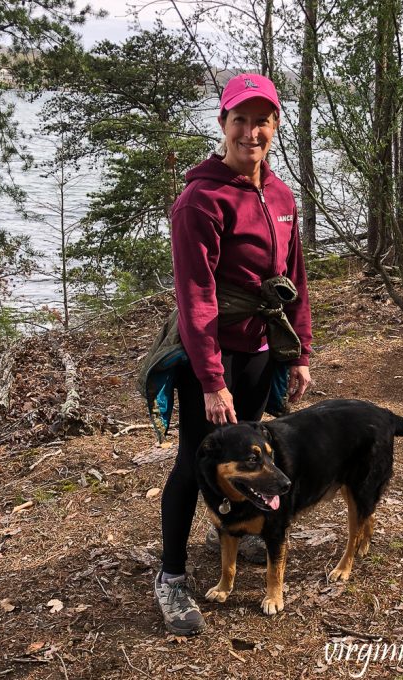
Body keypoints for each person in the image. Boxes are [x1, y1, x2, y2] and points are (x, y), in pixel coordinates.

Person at [153, 73, 312, 636]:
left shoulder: (281, 194)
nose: (252, 131)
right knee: (193, 460)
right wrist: (211, 379)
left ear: (275, 126)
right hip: (213, 353)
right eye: (240, 120)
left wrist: (299, 354)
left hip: (263, 348)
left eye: (262, 121)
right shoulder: (200, 199)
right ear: (222, 124)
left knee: (248, 453)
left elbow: (293, 279)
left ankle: (235, 530)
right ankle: (171, 580)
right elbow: (195, 296)